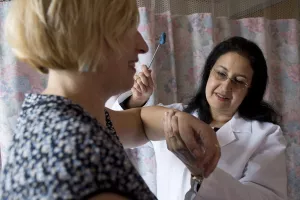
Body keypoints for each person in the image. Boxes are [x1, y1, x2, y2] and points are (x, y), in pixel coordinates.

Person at [0, 1, 221, 200]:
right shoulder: (76, 156)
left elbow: (139, 123)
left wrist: (182, 120)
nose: (143, 45)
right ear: (86, 36)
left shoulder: (57, 116)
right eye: (127, 28)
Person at [112, 36, 288, 200]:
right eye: (221, 73)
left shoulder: (266, 135)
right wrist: (136, 100)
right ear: (209, 73)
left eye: (239, 81)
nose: (226, 87)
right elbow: (110, 131)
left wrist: (201, 174)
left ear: (251, 90)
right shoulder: (172, 114)